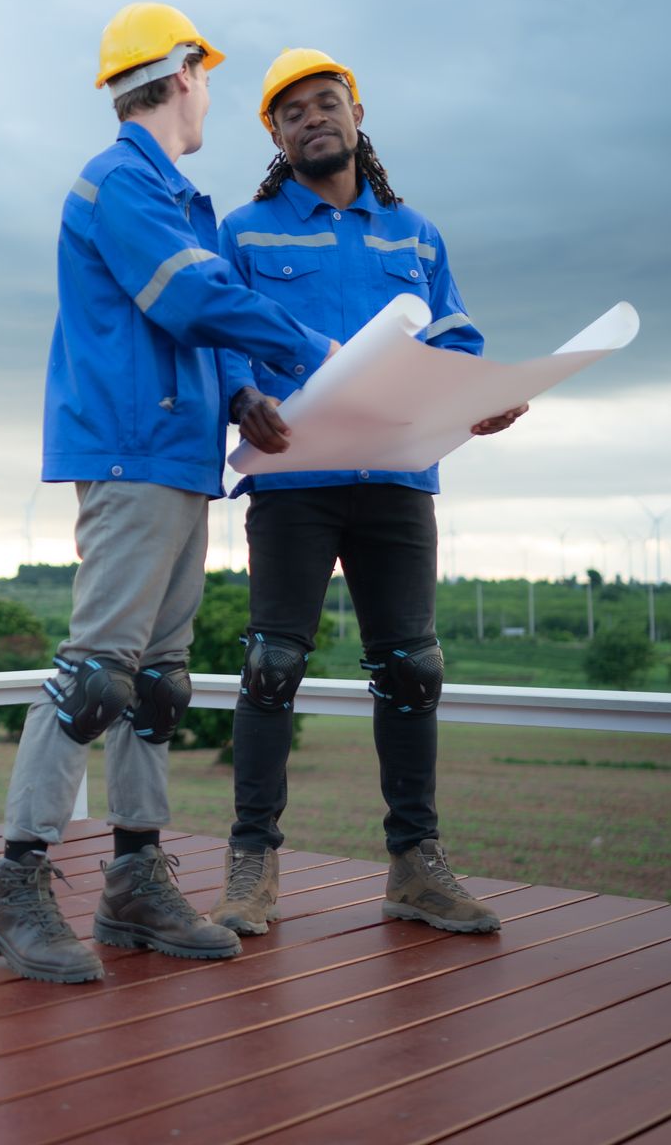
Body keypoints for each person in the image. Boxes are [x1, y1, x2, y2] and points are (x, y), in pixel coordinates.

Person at [0, 6, 338, 985]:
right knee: (96, 674)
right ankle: (16, 881)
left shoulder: (179, 198)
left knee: (158, 682)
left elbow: (198, 336)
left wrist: (246, 393)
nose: (210, 92)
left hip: (183, 457)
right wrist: (309, 352)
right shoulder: (122, 185)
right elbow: (188, 299)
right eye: (207, 76)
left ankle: (136, 874)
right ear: (181, 74)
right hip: (134, 454)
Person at [207, 48, 526, 939]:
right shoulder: (245, 231)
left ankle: (416, 868)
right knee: (273, 665)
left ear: (356, 115)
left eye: (328, 103)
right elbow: (221, 338)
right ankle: (251, 866)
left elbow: (455, 335)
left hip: (397, 478)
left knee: (411, 670)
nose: (314, 118)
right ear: (275, 134)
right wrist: (243, 397)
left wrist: (482, 394)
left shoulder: (415, 236)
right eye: (294, 111)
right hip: (294, 479)